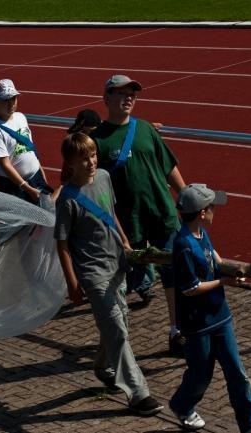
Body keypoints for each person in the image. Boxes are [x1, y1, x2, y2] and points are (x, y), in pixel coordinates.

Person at [54, 132, 164, 416]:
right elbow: (63, 244)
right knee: (116, 330)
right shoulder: (67, 199)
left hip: (117, 265)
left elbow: (110, 214)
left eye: (92, 156)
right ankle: (138, 393)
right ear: (70, 163)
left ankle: (103, 366)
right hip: (93, 274)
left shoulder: (103, 177)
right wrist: (72, 283)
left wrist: (125, 243)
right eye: (84, 159)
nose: (91, 163)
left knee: (120, 323)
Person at [91, 74, 186, 357]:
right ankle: (113, 343)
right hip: (126, 224)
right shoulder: (96, 141)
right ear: (106, 98)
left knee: (174, 274)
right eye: (121, 93)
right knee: (118, 282)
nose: (128, 98)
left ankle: (177, 332)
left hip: (162, 213)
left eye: (132, 93)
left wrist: (185, 195)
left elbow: (168, 166)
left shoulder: (145, 129)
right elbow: (93, 185)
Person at [169, 184, 251, 433]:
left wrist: (229, 270)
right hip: (197, 324)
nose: (216, 210)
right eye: (212, 206)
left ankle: (250, 422)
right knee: (201, 374)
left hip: (220, 317)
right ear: (202, 212)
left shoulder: (201, 234)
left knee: (236, 370)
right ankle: (182, 405)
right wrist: (224, 281)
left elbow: (214, 257)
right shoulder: (183, 244)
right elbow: (190, 288)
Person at [0, 78, 53, 205]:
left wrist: (41, 172)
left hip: (36, 178)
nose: (11, 104)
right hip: (14, 187)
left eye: (13, 99)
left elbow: (30, 148)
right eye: (5, 100)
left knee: (45, 215)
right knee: (19, 222)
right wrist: (26, 188)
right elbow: (5, 165)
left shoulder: (21, 117)